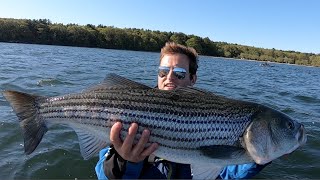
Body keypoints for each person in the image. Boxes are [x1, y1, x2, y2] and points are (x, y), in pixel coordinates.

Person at [95, 42, 269, 179]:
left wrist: (263, 154)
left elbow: (220, 174)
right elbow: (104, 175)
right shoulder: (130, 109)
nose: (169, 77)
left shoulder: (210, 113)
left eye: (178, 73)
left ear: (193, 79)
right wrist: (124, 161)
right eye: (163, 72)